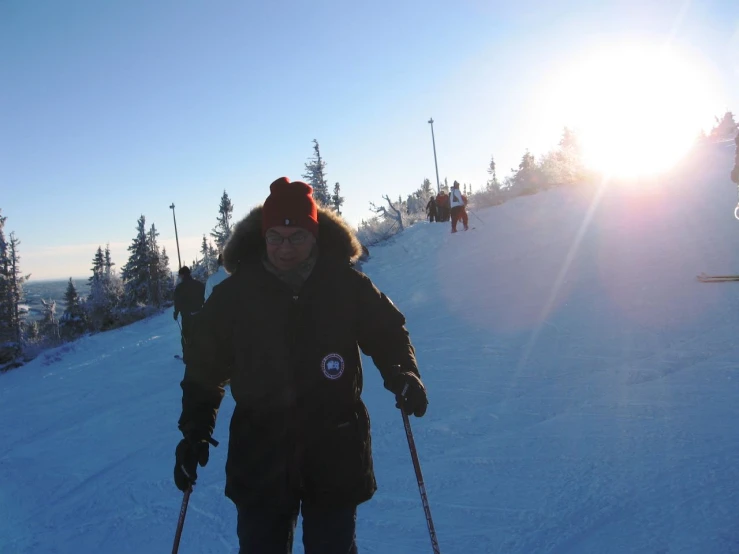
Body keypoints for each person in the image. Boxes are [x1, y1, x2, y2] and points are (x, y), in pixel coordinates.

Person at [173, 177, 428, 553]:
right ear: (263, 236)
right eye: (275, 237)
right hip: (261, 452)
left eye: (297, 238)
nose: (285, 248)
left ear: (314, 235)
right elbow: (204, 369)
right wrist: (194, 431)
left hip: (335, 447)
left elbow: (388, 331)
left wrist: (403, 373)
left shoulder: (346, 285)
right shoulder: (234, 297)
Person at [173, 266, 205, 362]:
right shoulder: (199, 284)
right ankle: (202, 354)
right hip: (199, 314)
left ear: (182, 275)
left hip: (187, 316)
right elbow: (205, 298)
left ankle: (187, 357)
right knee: (199, 334)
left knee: (186, 336)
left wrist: (176, 313)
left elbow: (177, 302)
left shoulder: (179, 288)